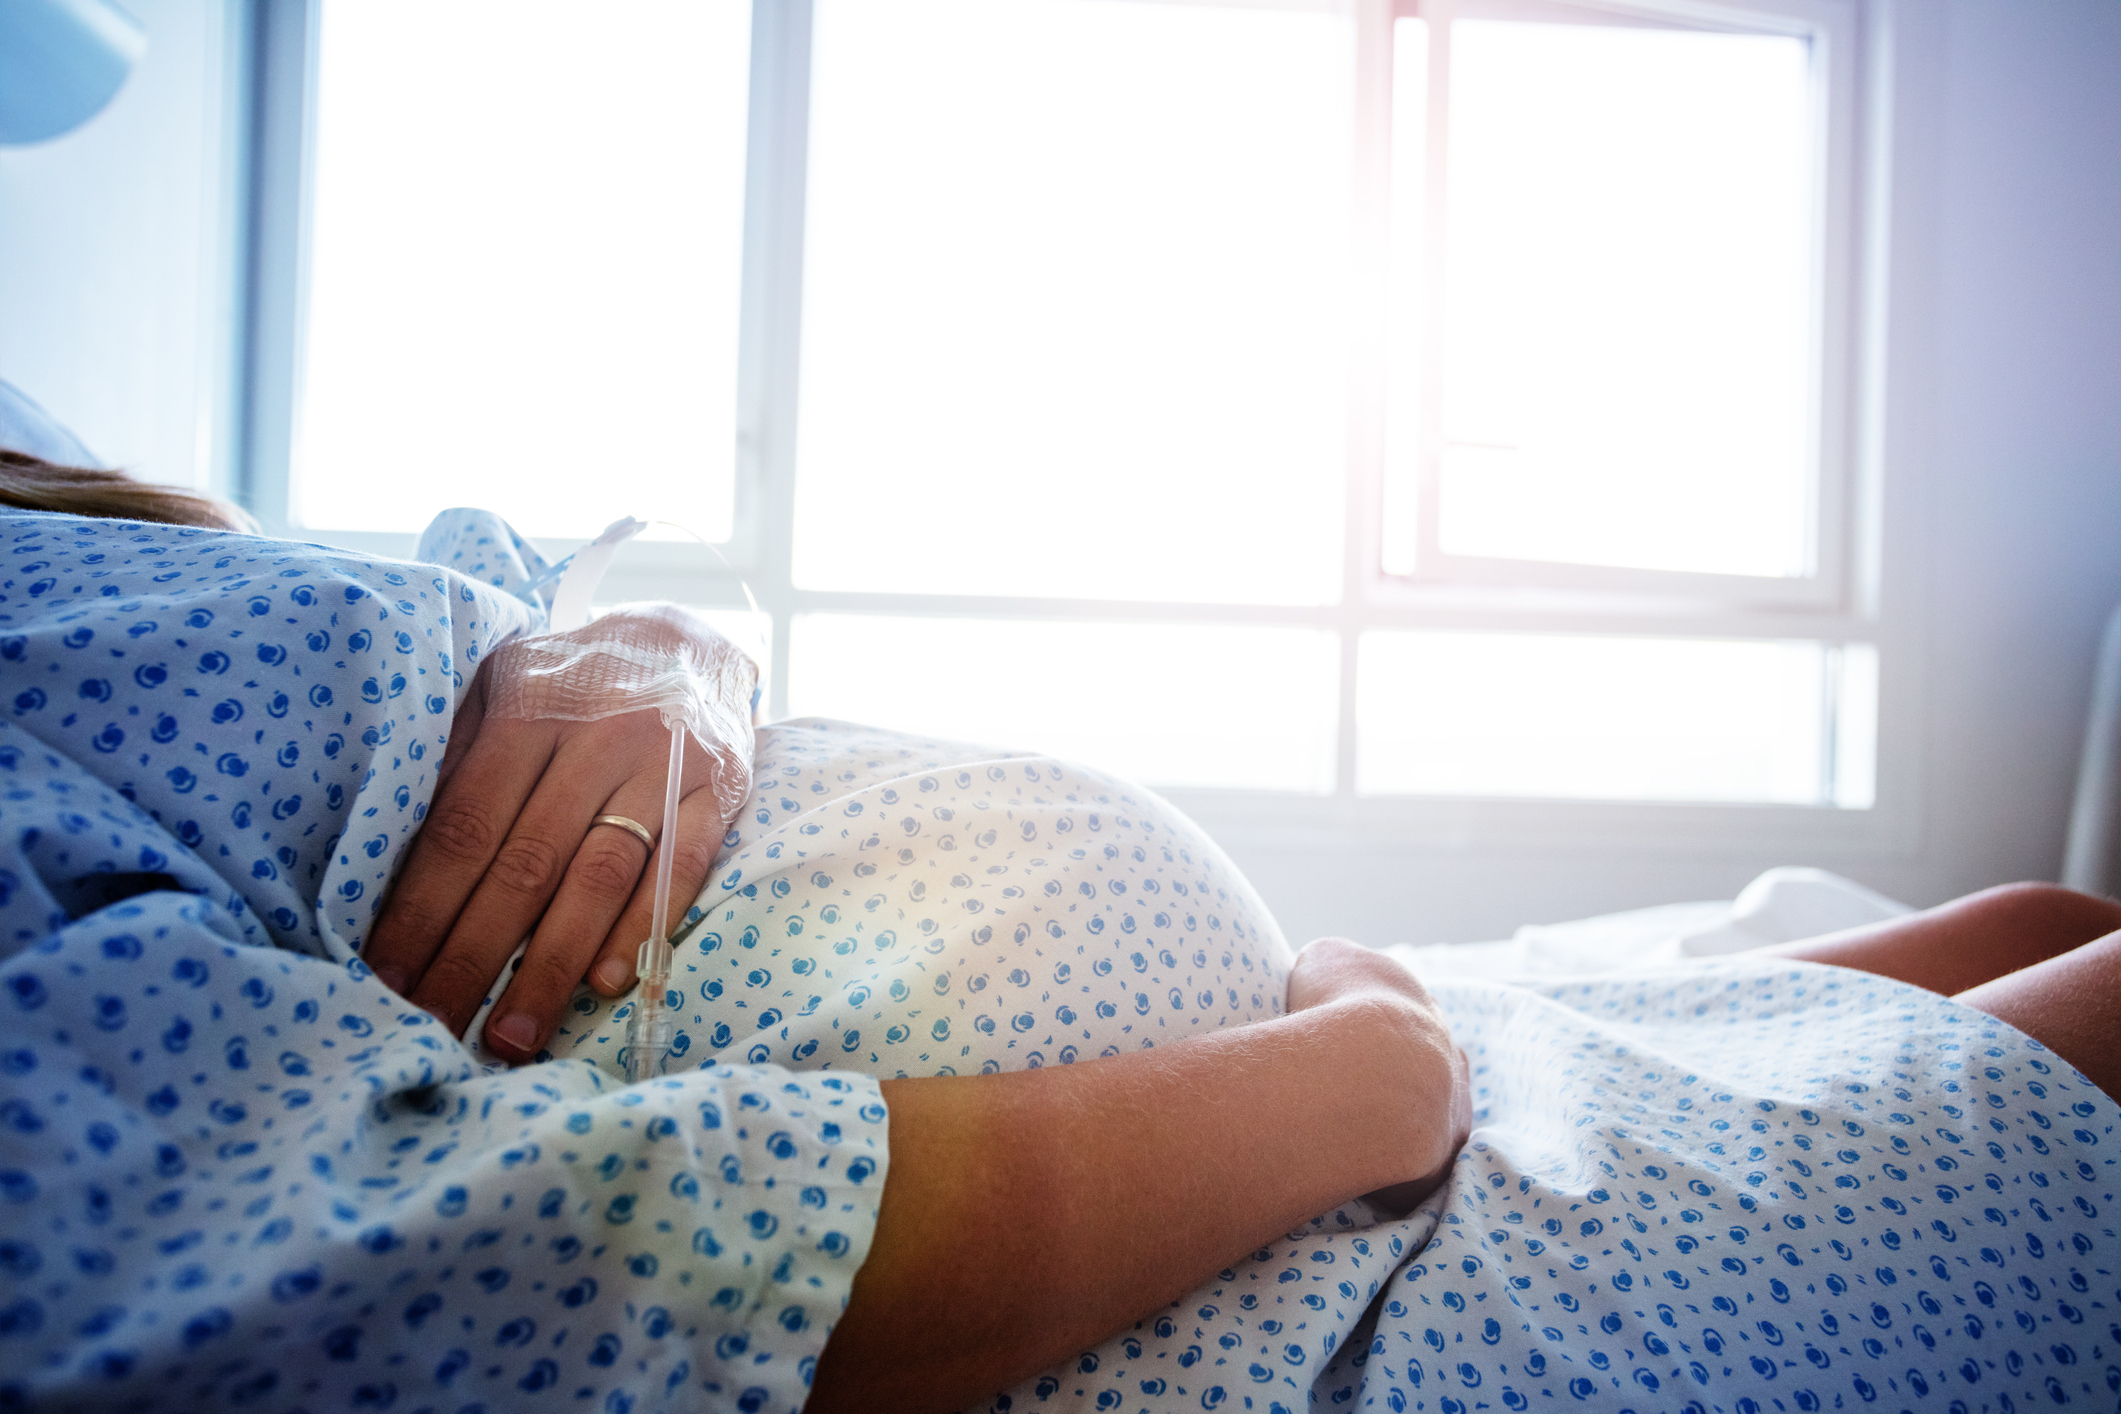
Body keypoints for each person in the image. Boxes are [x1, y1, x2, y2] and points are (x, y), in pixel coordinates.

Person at [0, 457, 2115, 1414]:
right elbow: (566, 1274)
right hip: (1330, 1258)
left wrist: (658, 652)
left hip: (1362, 1098)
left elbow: (465, 603)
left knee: (2037, 913)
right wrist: (1359, 1080)